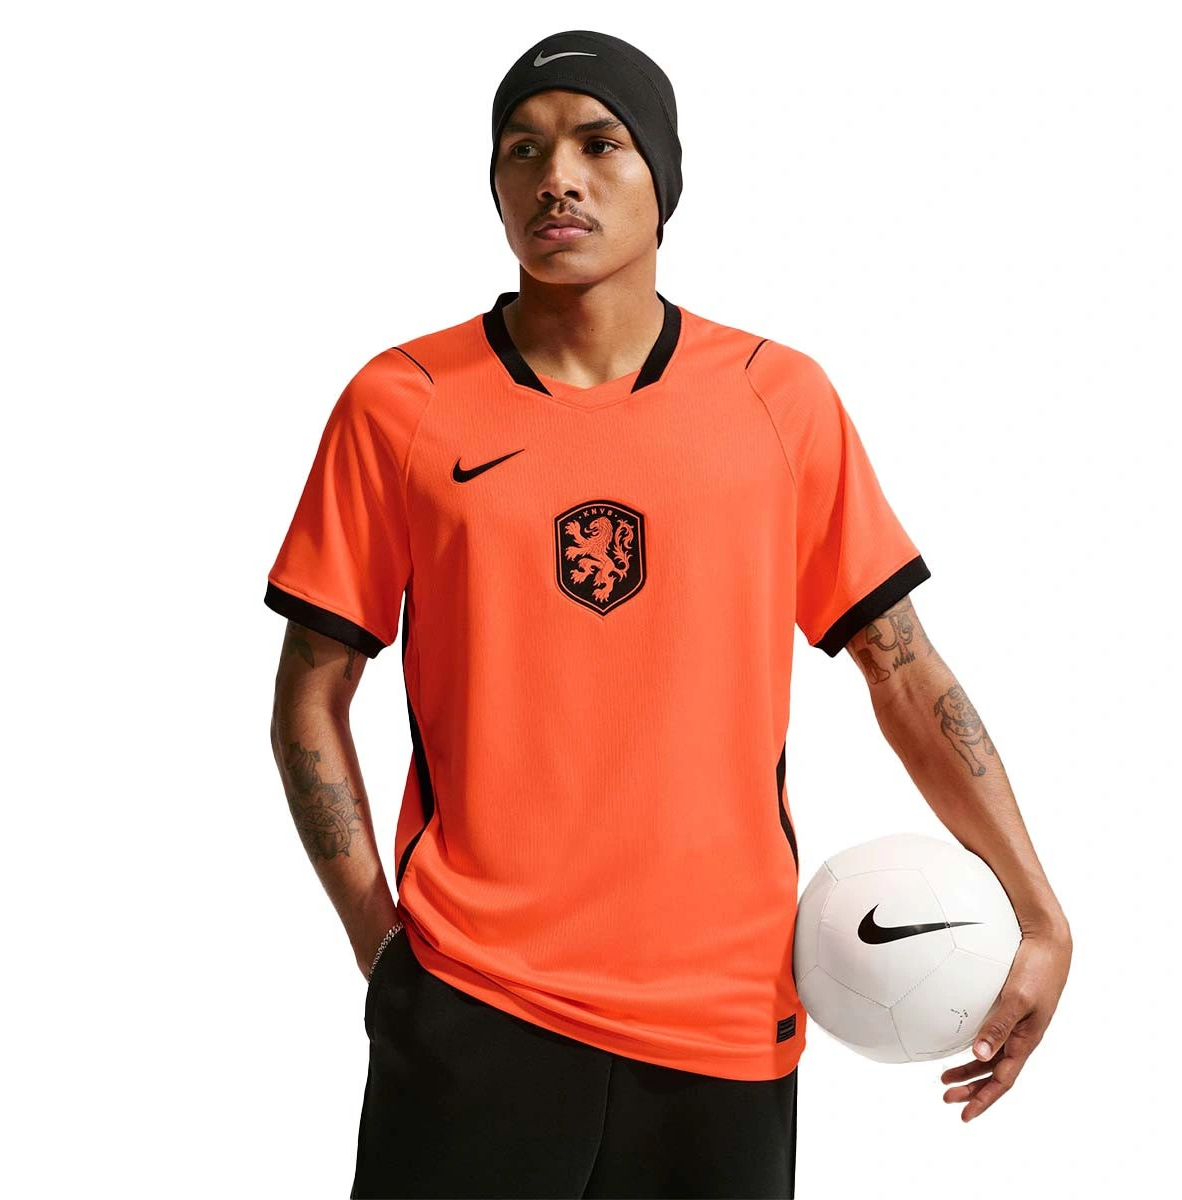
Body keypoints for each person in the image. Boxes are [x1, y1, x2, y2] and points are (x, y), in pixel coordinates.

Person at [265, 29, 1072, 1200]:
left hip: (724, 1019)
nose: (557, 178)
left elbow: (902, 669)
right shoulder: (404, 403)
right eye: (523, 149)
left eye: (600, 143)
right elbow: (310, 690)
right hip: (473, 1002)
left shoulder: (775, 400)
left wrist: (1039, 912)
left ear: (664, 176)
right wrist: (379, 946)